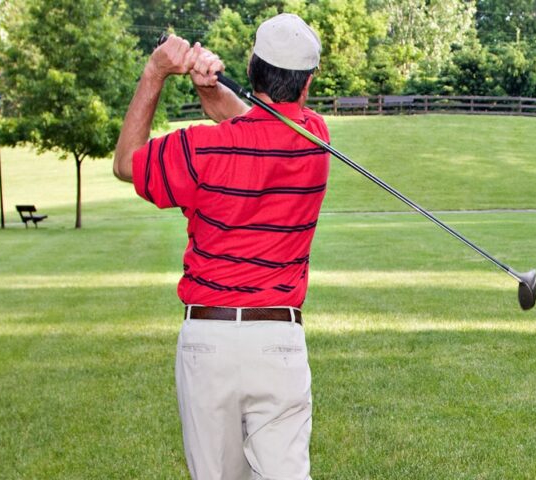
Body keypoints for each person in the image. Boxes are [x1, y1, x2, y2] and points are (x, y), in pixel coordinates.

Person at [113, 14, 328, 480]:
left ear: (251, 67)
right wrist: (209, 90)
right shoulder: (315, 140)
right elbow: (260, 127)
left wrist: (155, 73)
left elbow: (127, 164)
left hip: (207, 344)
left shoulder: (198, 151)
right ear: (307, 85)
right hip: (278, 341)